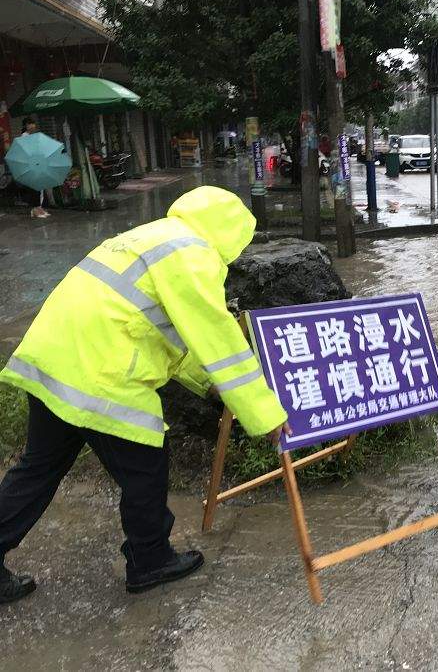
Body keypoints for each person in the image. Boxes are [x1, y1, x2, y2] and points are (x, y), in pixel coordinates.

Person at [0, 186, 290, 604]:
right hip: (100, 373)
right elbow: (218, 340)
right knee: (145, 469)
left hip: (53, 359)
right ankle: (150, 559)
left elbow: (164, 330)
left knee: (38, 468)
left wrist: (206, 385)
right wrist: (265, 414)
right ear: (231, 235)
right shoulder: (195, 256)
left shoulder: (151, 235)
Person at [18, 118, 50, 219]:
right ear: (26, 126)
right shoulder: (24, 137)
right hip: (30, 165)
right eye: (30, 124)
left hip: (37, 163)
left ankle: (39, 208)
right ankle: (35, 210)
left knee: (39, 187)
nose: (33, 126)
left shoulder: (33, 136)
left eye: (33, 124)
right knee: (34, 188)